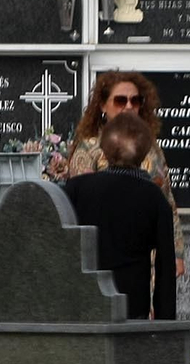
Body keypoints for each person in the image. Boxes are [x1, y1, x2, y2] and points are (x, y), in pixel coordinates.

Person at [66, 71, 184, 277]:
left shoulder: (151, 148)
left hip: (147, 256)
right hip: (103, 257)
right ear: (103, 106)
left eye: (135, 101)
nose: (129, 106)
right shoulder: (89, 148)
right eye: (120, 100)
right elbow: (78, 206)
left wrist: (176, 252)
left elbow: (168, 202)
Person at [62, 112, 176, 321]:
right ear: (145, 153)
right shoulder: (155, 199)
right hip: (131, 307)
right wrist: (165, 322)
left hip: (82, 303)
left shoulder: (77, 189)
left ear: (104, 150)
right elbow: (165, 269)